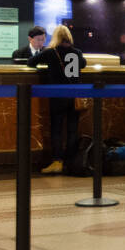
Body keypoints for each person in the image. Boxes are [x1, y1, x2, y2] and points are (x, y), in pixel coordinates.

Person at [34, 24, 85, 174]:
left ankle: (57, 162)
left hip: (57, 96)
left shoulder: (50, 53)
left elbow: (31, 62)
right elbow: (83, 64)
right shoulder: (77, 52)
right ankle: (71, 162)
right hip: (74, 96)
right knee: (72, 130)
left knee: (56, 129)